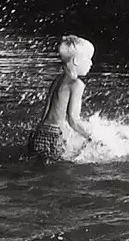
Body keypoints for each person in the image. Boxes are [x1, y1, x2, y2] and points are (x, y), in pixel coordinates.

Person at [26, 35, 95, 165]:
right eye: (89, 59)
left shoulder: (58, 80)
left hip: (38, 133)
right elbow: (73, 120)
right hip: (52, 137)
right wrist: (91, 136)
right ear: (76, 61)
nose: (91, 63)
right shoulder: (76, 84)